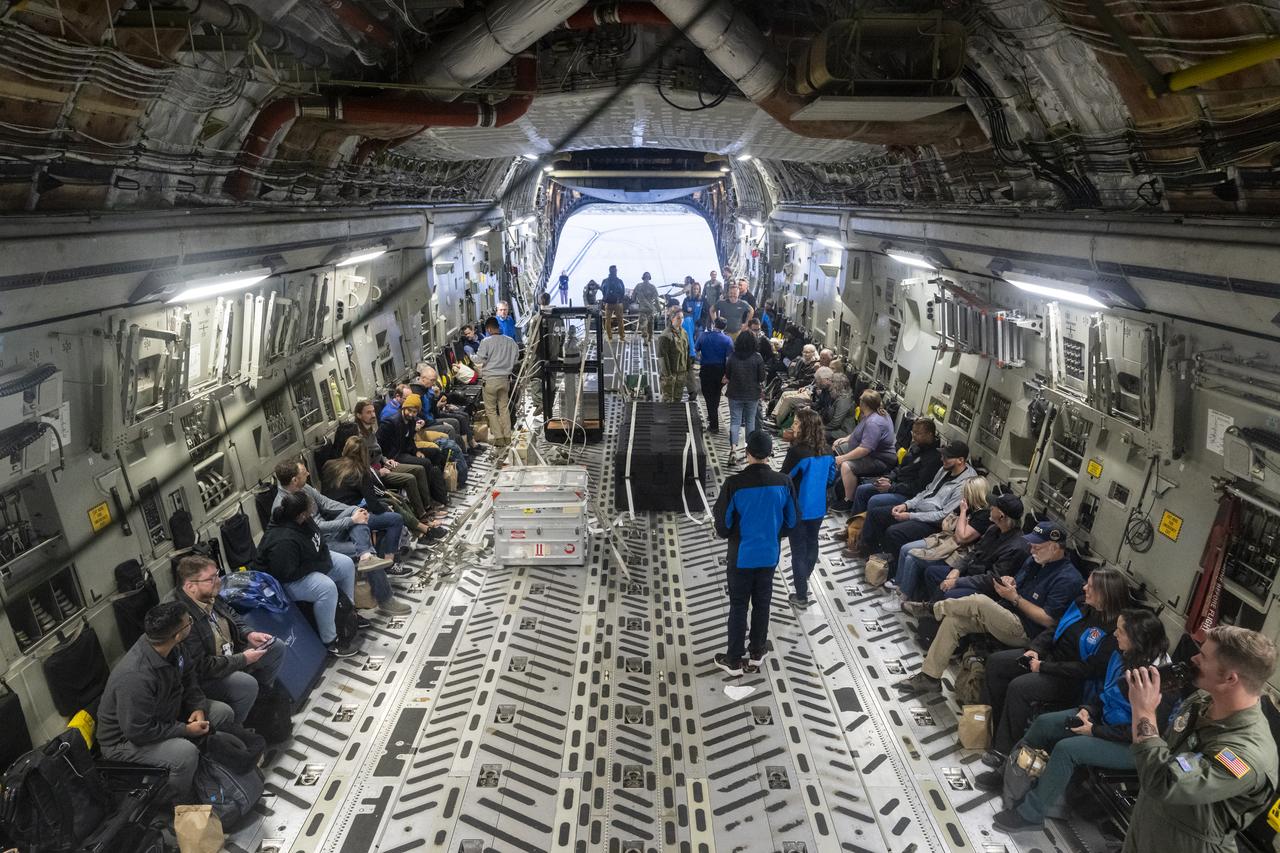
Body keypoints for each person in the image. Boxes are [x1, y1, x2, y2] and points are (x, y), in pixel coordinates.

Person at [980, 609, 1170, 830]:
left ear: (1137, 638)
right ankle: (1007, 773)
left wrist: (1094, 731)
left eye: (1120, 631)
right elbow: (1107, 692)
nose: (1114, 634)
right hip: (1104, 721)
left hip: (1133, 746)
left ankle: (1031, 814)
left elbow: (1143, 733)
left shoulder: (1162, 680)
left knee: (1067, 750)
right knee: (1044, 724)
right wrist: (1088, 710)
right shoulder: (1123, 655)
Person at [1122, 625, 1279, 853]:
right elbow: (1165, 753)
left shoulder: (1246, 755)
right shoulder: (1201, 701)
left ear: (1230, 678)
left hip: (1189, 843)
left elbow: (1163, 782)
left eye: (1203, 656)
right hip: (1149, 821)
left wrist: (1144, 711)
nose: (1194, 659)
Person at [898, 519, 1084, 694]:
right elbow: (1018, 584)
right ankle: (930, 677)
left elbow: (1048, 620)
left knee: (980, 601)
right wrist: (1010, 582)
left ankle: (931, 609)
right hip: (1006, 614)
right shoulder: (1035, 562)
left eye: (1037, 546)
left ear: (1054, 547)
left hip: (1025, 631)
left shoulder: (1067, 579)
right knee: (953, 621)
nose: (1032, 549)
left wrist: (1015, 598)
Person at [983, 566, 1130, 759]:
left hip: (1071, 679)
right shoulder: (1081, 604)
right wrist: (1035, 649)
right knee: (997, 663)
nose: (1084, 588)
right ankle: (989, 728)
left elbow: (1088, 669)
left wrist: (1043, 667)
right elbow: (1055, 629)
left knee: (1020, 687)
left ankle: (1004, 750)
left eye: (1091, 587)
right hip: (1050, 657)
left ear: (1105, 594)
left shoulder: (1113, 631)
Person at [97, 602, 237, 802]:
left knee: (222, 713)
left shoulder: (174, 648)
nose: (191, 623)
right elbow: (137, 731)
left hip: (165, 714)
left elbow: (188, 676)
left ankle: (211, 775)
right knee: (184, 754)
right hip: (124, 741)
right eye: (189, 621)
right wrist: (185, 730)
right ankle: (178, 803)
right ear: (178, 634)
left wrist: (197, 706)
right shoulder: (136, 676)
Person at [713, 430, 797, 676]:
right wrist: (774, 533)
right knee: (762, 603)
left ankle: (733, 659)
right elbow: (792, 521)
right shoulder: (784, 483)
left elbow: (723, 526)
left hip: (741, 556)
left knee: (739, 605)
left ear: (747, 452)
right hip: (769, 555)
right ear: (770, 453)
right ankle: (758, 652)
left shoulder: (734, 484)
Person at [175, 555, 285, 723]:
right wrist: (242, 659)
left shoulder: (208, 595)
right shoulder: (182, 619)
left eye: (217, 574)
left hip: (230, 653)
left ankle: (260, 703)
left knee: (276, 647)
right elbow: (201, 667)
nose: (218, 581)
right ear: (190, 586)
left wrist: (248, 633)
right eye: (211, 579)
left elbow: (231, 613)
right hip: (208, 676)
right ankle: (238, 726)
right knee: (246, 684)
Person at [271, 458, 401, 575]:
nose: (308, 474)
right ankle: (368, 559)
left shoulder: (303, 488)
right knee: (366, 545)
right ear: (295, 480)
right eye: (304, 473)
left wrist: (356, 511)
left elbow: (325, 502)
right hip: (318, 544)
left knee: (357, 514)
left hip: (328, 532)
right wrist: (351, 520)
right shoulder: (286, 506)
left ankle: (366, 557)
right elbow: (317, 527)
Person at [907, 491, 1029, 608]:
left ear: (1001, 516)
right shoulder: (993, 529)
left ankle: (932, 613)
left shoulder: (1016, 547)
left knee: (949, 593)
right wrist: (958, 569)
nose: (990, 508)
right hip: (972, 572)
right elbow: (975, 552)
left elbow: (992, 579)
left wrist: (958, 582)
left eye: (994, 507)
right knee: (932, 573)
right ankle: (931, 607)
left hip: (985, 587)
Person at [887, 476, 991, 607]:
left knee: (912, 557)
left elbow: (961, 537)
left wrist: (963, 512)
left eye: (967, 493)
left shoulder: (982, 515)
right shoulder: (966, 506)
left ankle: (903, 597)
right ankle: (900, 585)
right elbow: (946, 525)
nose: (964, 496)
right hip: (945, 539)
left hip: (957, 551)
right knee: (905, 548)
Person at [324, 434, 443, 547]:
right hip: (351, 514)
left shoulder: (329, 465)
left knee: (390, 502)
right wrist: (385, 508)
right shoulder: (361, 472)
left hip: (329, 513)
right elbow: (374, 505)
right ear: (365, 454)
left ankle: (420, 530)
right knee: (390, 505)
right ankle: (422, 531)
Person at [781, 409, 835, 607]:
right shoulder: (828, 451)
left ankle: (801, 595)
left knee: (798, 551)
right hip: (819, 508)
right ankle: (804, 576)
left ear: (805, 427)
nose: (793, 426)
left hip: (798, 509)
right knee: (812, 544)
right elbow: (831, 479)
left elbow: (784, 479)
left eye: (796, 423)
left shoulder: (797, 453)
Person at [843, 417, 941, 518]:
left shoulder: (934, 458)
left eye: (918, 433)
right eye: (913, 432)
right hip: (896, 484)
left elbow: (918, 487)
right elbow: (900, 468)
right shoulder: (916, 446)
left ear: (929, 434)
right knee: (862, 490)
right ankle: (854, 524)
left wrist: (892, 488)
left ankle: (865, 526)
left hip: (908, 495)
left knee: (875, 501)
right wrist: (889, 478)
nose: (914, 436)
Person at [354, 399, 434, 519]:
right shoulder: (358, 437)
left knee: (420, 469)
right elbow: (360, 465)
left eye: (373, 411)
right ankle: (421, 515)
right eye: (368, 413)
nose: (373, 415)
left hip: (382, 464)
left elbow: (377, 451)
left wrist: (386, 460)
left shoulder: (370, 428)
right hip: (374, 474)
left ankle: (428, 507)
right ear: (359, 415)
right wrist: (378, 472)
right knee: (410, 478)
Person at [376, 393, 450, 506]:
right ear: (404, 408)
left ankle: (438, 489)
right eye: (409, 410)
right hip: (394, 455)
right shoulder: (390, 422)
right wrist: (385, 460)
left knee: (436, 452)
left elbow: (409, 440)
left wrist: (416, 451)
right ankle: (430, 498)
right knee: (425, 463)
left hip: (405, 450)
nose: (411, 414)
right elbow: (378, 444)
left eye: (414, 412)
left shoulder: (411, 420)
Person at [833, 390, 898, 502]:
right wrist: (847, 438)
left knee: (846, 466)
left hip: (880, 460)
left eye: (861, 399)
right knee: (836, 446)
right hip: (870, 453)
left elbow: (865, 449)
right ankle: (838, 485)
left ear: (864, 404)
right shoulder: (874, 413)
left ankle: (848, 500)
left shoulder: (874, 422)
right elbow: (861, 431)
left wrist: (843, 458)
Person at [474, 316, 520, 447]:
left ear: (488, 329)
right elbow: (516, 358)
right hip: (504, 380)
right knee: (504, 409)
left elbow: (479, 359)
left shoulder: (486, 342)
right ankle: (508, 436)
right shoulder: (510, 341)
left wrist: (470, 356)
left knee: (491, 411)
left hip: (490, 381)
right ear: (498, 327)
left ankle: (499, 438)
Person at [724, 326, 765, 460]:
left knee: (735, 421)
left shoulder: (732, 357)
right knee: (750, 421)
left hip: (734, 394)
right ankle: (749, 450)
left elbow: (728, 375)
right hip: (752, 395)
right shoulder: (757, 358)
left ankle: (733, 449)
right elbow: (761, 377)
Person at [697, 317, 733, 433]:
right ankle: (712, 415)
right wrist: (727, 374)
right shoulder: (728, 340)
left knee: (708, 396)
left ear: (713, 324)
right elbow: (728, 359)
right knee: (716, 394)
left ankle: (714, 424)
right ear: (725, 327)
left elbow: (696, 349)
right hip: (720, 371)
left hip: (706, 370)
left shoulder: (703, 336)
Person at [657, 308, 693, 402]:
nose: (681, 320)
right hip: (670, 374)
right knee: (668, 399)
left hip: (681, 372)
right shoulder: (665, 336)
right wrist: (668, 375)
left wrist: (688, 368)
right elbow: (662, 357)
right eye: (678, 318)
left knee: (678, 397)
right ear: (672, 319)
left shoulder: (684, 333)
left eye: (682, 318)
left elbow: (687, 351)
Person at [823, 374, 857, 444]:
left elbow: (836, 423)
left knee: (816, 433)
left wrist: (821, 428)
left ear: (837, 385)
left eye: (832, 382)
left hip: (844, 432)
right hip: (837, 429)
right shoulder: (838, 397)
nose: (829, 384)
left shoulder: (844, 401)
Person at [601, 265, 626, 341]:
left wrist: (606, 298)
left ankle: (610, 337)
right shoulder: (619, 281)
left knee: (608, 320)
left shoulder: (605, 281)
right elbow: (623, 292)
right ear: (615, 271)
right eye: (615, 270)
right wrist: (619, 299)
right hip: (617, 303)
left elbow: (603, 290)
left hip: (608, 303)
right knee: (620, 320)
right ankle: (622, 337)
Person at [633, 272, 660, 341]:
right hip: (650, 308)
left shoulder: (638, 286)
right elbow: (656, 299)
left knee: (643, 324)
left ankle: (646, 339)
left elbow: (633, 296)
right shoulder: (652, 287)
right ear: (649, 278)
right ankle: (650, 338)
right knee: (650, 324)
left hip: (642, 308)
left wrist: (635, 301)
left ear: (643, 277)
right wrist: (659, 309)